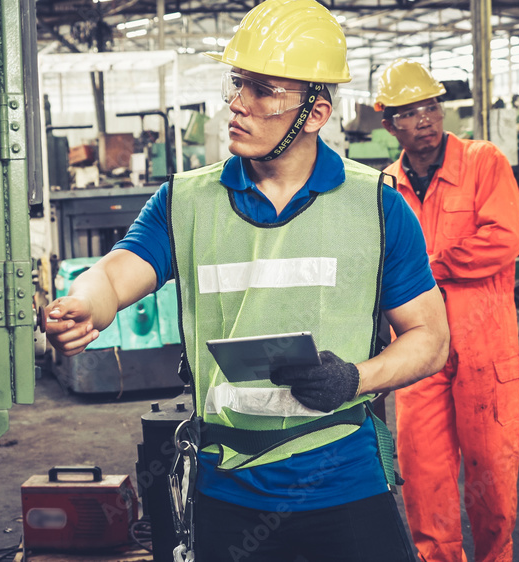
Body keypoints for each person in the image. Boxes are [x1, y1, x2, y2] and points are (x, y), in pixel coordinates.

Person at [46, 2, 448, 560]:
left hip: (345, 481)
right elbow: (115, 272)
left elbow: (432, 339)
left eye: (262, 90)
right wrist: (86, 305)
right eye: (237, 85)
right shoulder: (184, 202)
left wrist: (356, 378)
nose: (236, 104)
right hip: (229, 489)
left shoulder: (378, 206)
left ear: (314, 113)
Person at [376, 59, 519, 562]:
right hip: (417, 348)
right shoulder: (385, 187)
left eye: (432, 106)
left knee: (492, 475)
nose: (424, 119)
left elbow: (504, 238)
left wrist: (430, 267)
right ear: (387, 122)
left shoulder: (484, 162)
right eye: (409, 111)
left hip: (484, 347)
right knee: (423, 475)